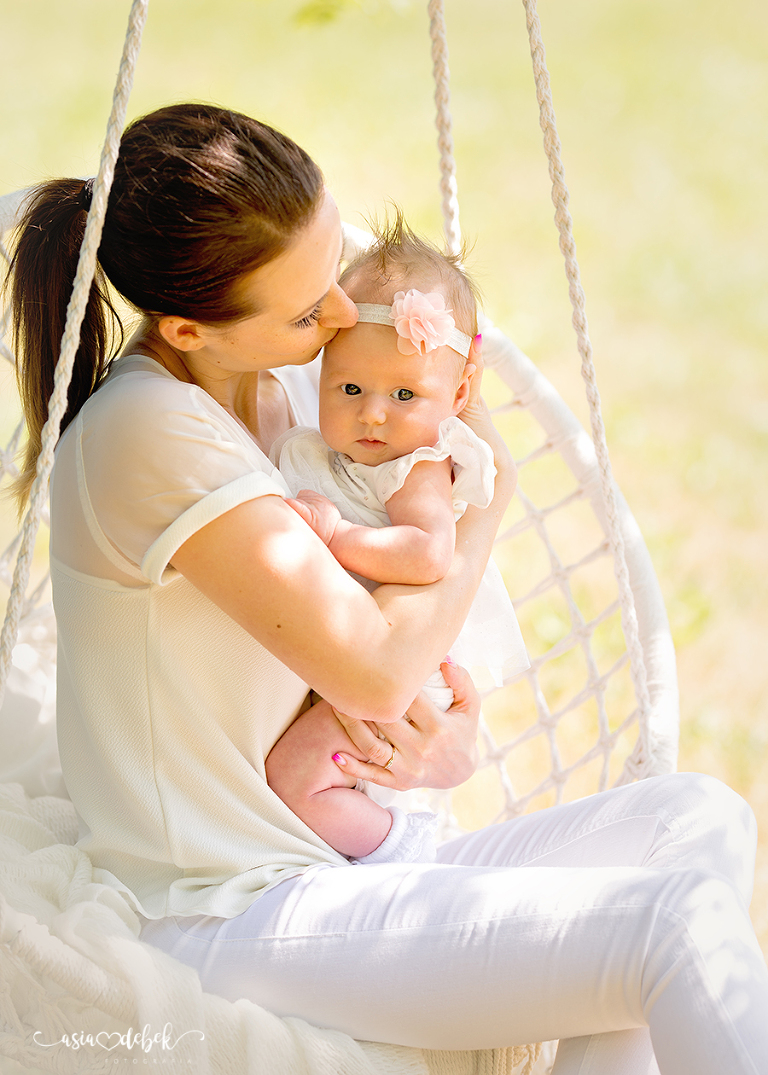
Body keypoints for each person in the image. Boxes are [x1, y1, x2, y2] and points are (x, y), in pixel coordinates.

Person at [7, 102, 768, 1074]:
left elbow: (386, 663)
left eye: (333, 273)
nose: (339, 317)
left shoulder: (284, 392)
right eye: (305, 311)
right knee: (671, 923)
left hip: (343, 849)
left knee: (700, 819)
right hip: (229, 903)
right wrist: (483, 488)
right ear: (190, 327)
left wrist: (427, 740)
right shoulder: (146, 433)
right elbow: (374, 669)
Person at [266, 217, 529, 861]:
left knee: (297, 779)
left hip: (410, 666)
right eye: (350, 388)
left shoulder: (416, 465)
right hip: (365, 656)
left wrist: (336, 534)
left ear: (459, 393)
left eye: (405, 393)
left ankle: (399, 855)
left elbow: (428, 553)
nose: (373, 412)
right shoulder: (339, 454)